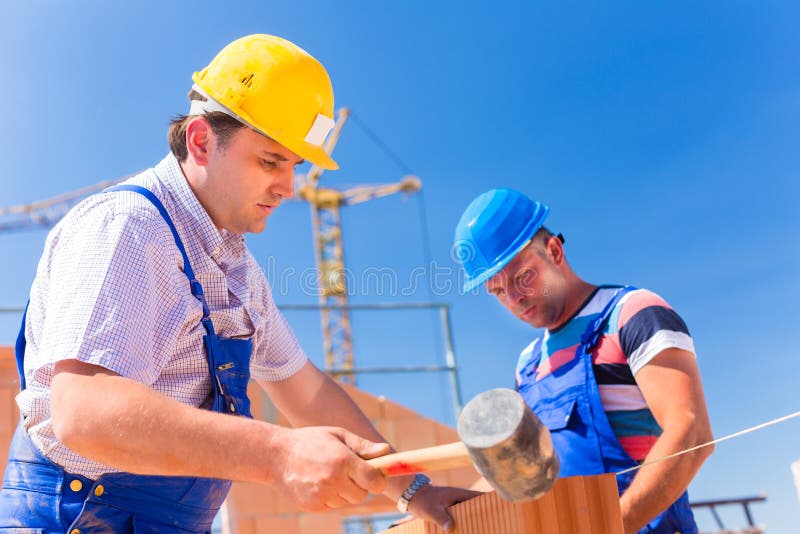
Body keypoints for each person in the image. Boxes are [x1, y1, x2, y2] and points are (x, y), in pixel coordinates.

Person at [0, 34, 475, 532]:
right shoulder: (128, 228)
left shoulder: (236, 269)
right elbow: (84, 413)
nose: (289, 187)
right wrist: (277, 453)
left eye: (296, 166)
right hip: (75, 517)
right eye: (271, 161)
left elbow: (306, 391)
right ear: (202, 140)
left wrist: (412, 487)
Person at [452, 189, 714, 533]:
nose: (514, 299)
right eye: (499, 291)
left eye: (521, 278)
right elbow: (525, 472)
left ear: (554, 251)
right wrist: (451, 505)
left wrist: (611, 526)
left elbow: (692, 435)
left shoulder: (631, 314)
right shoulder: (528, 365)